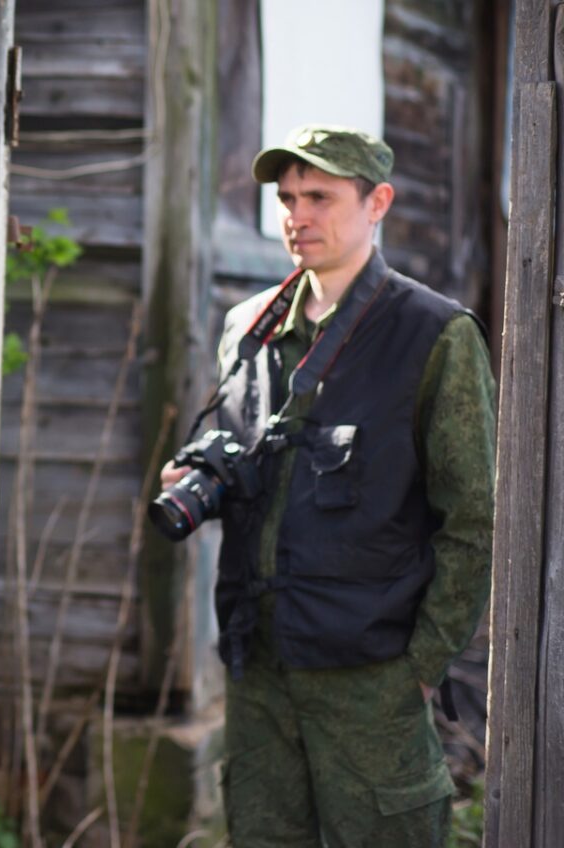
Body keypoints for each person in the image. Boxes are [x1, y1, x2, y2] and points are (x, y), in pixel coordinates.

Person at [159, 124, 495, 847]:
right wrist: (199, 476)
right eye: (285, 198)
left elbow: (474, 519)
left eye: (319, 196)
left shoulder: (435, 334)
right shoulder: (247, 326)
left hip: (371, 676)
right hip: (259, 669)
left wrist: (422, 666)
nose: (296, 216)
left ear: (377, 202)